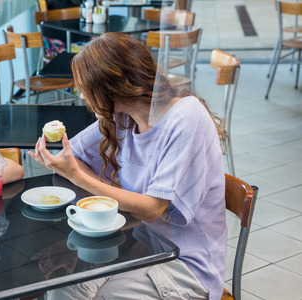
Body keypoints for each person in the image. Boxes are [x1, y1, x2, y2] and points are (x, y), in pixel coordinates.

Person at [28, 33, 226, 300]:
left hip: (187, 264)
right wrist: (72, 170)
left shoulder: (186, 117)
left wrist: (77, 176)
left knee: (104, 296)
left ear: (112, 88)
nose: (82, 95)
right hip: (140, 245)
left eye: (86, 87)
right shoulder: (122, 118)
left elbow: (153, 208)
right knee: (63, 288)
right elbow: (73, 154)